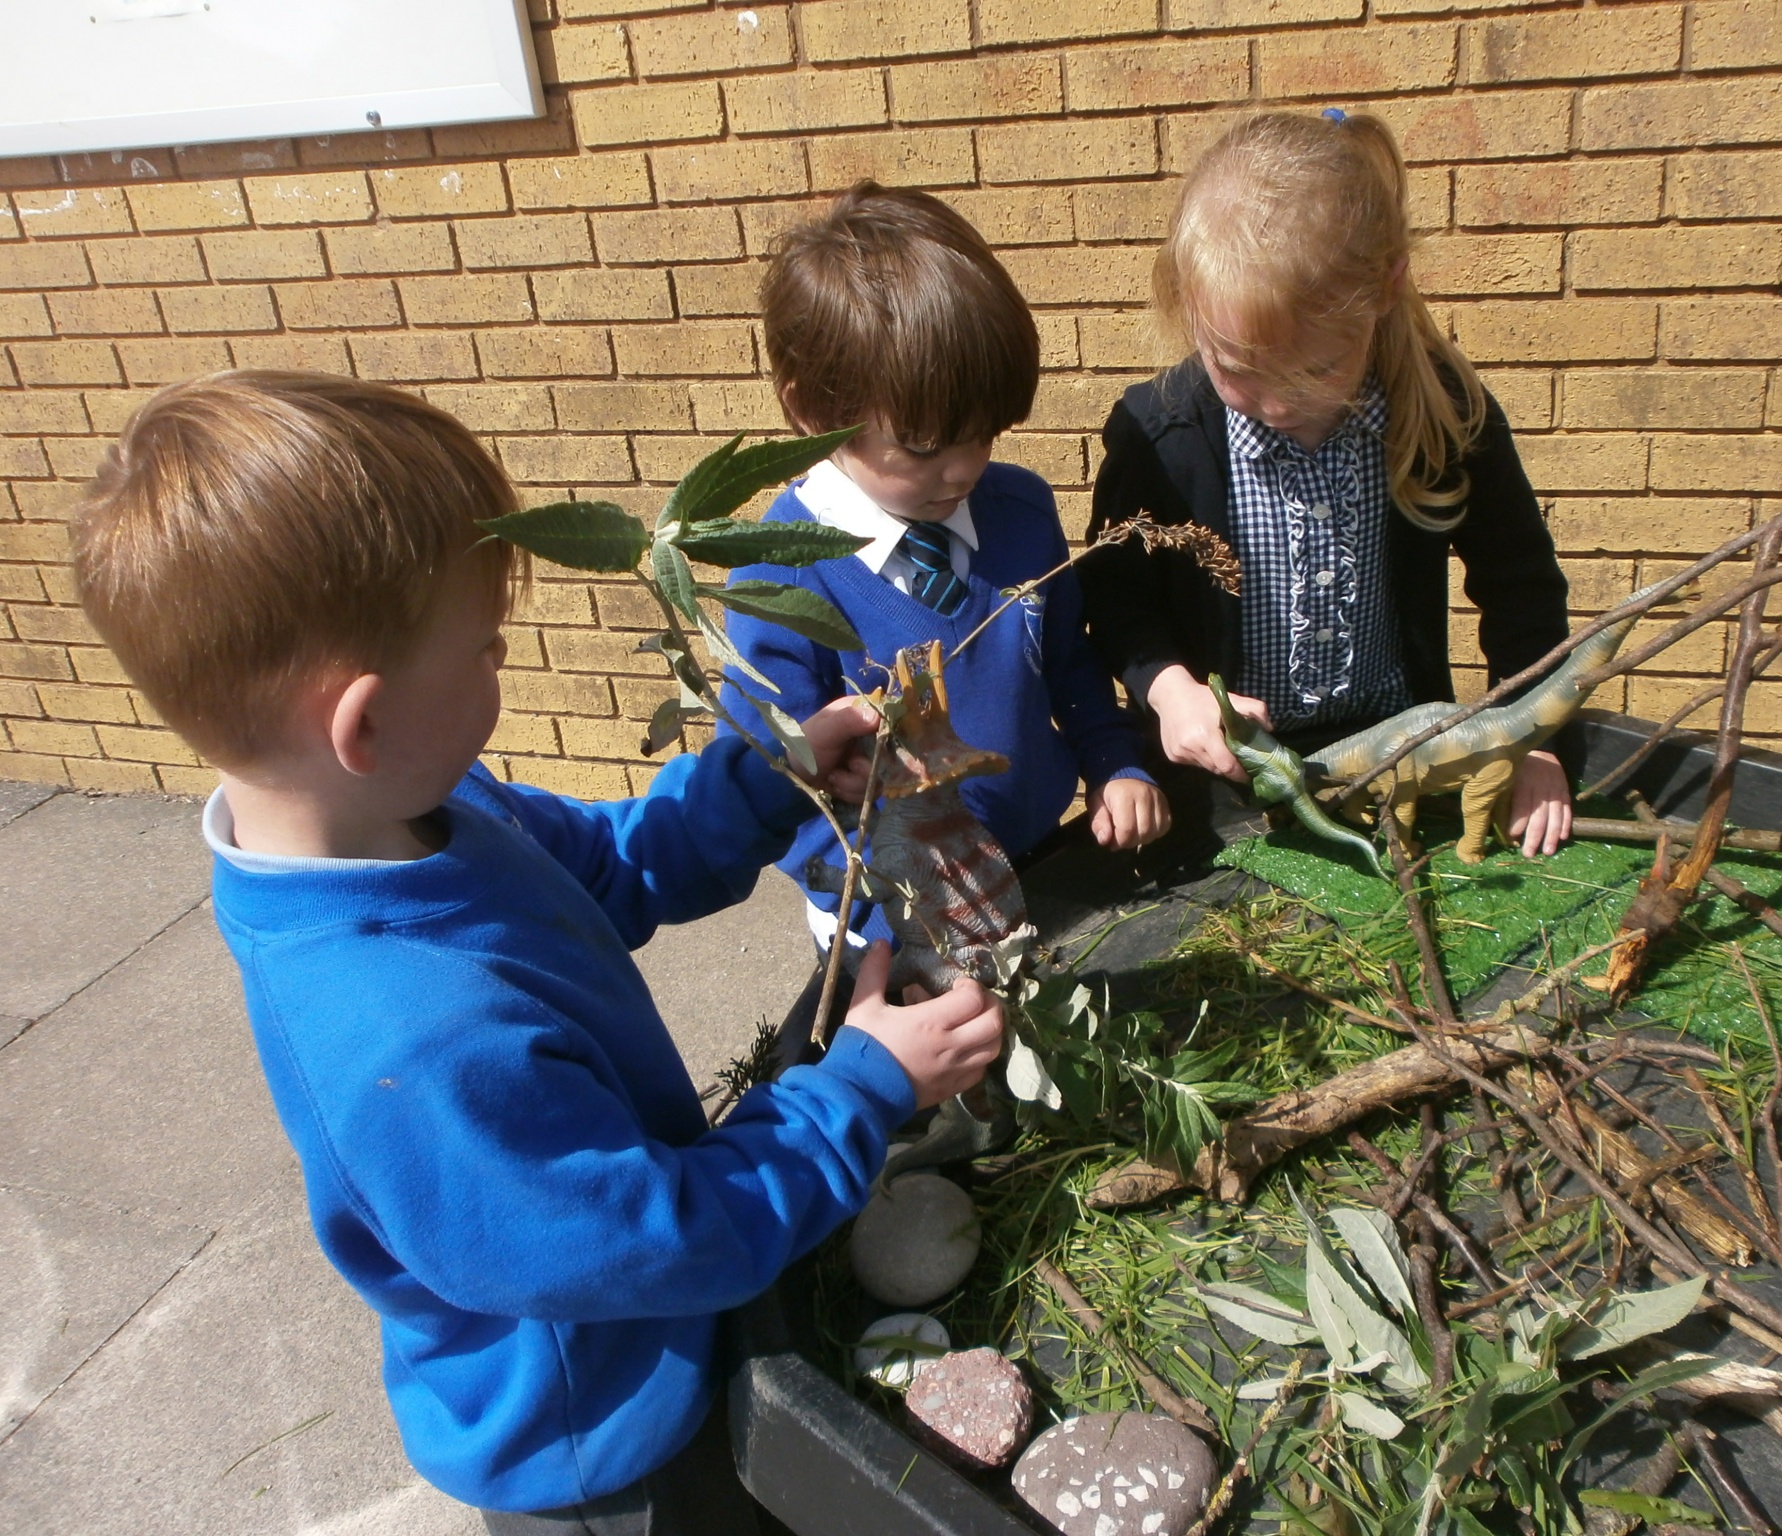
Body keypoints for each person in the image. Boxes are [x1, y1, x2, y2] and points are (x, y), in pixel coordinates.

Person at [69, 370, 1006, 1533]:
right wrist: (859, 1089)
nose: (499, 668)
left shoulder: (434, 807)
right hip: (606, 1444)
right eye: (485, 648)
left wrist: (774, 779)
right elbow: (653, 1238)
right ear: (362, 723)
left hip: (647, 1315)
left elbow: (617, 866)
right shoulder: (408, 1037)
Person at [1080, 109, 1575, 859]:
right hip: (1224, 787)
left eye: (1316, 370)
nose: (1279, 406)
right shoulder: (1160, 434)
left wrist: (1529, 739)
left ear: (1386, 290)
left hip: (1393, 764)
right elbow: (1118, 599)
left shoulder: (1441, 414)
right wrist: (1170, 690)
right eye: (1240, 370)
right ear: (1189, 308)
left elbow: (1522, 586)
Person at [720, 182, 1171, 953]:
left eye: (986, 433)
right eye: (926, 447)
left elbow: (1069, 663)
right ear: (813, 414)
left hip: (1040, 863)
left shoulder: (1020, 513)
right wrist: (901, 909)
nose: (963, 470)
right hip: (895, 917)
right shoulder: (779, 575)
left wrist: (1116, 761)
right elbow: (780, 783)